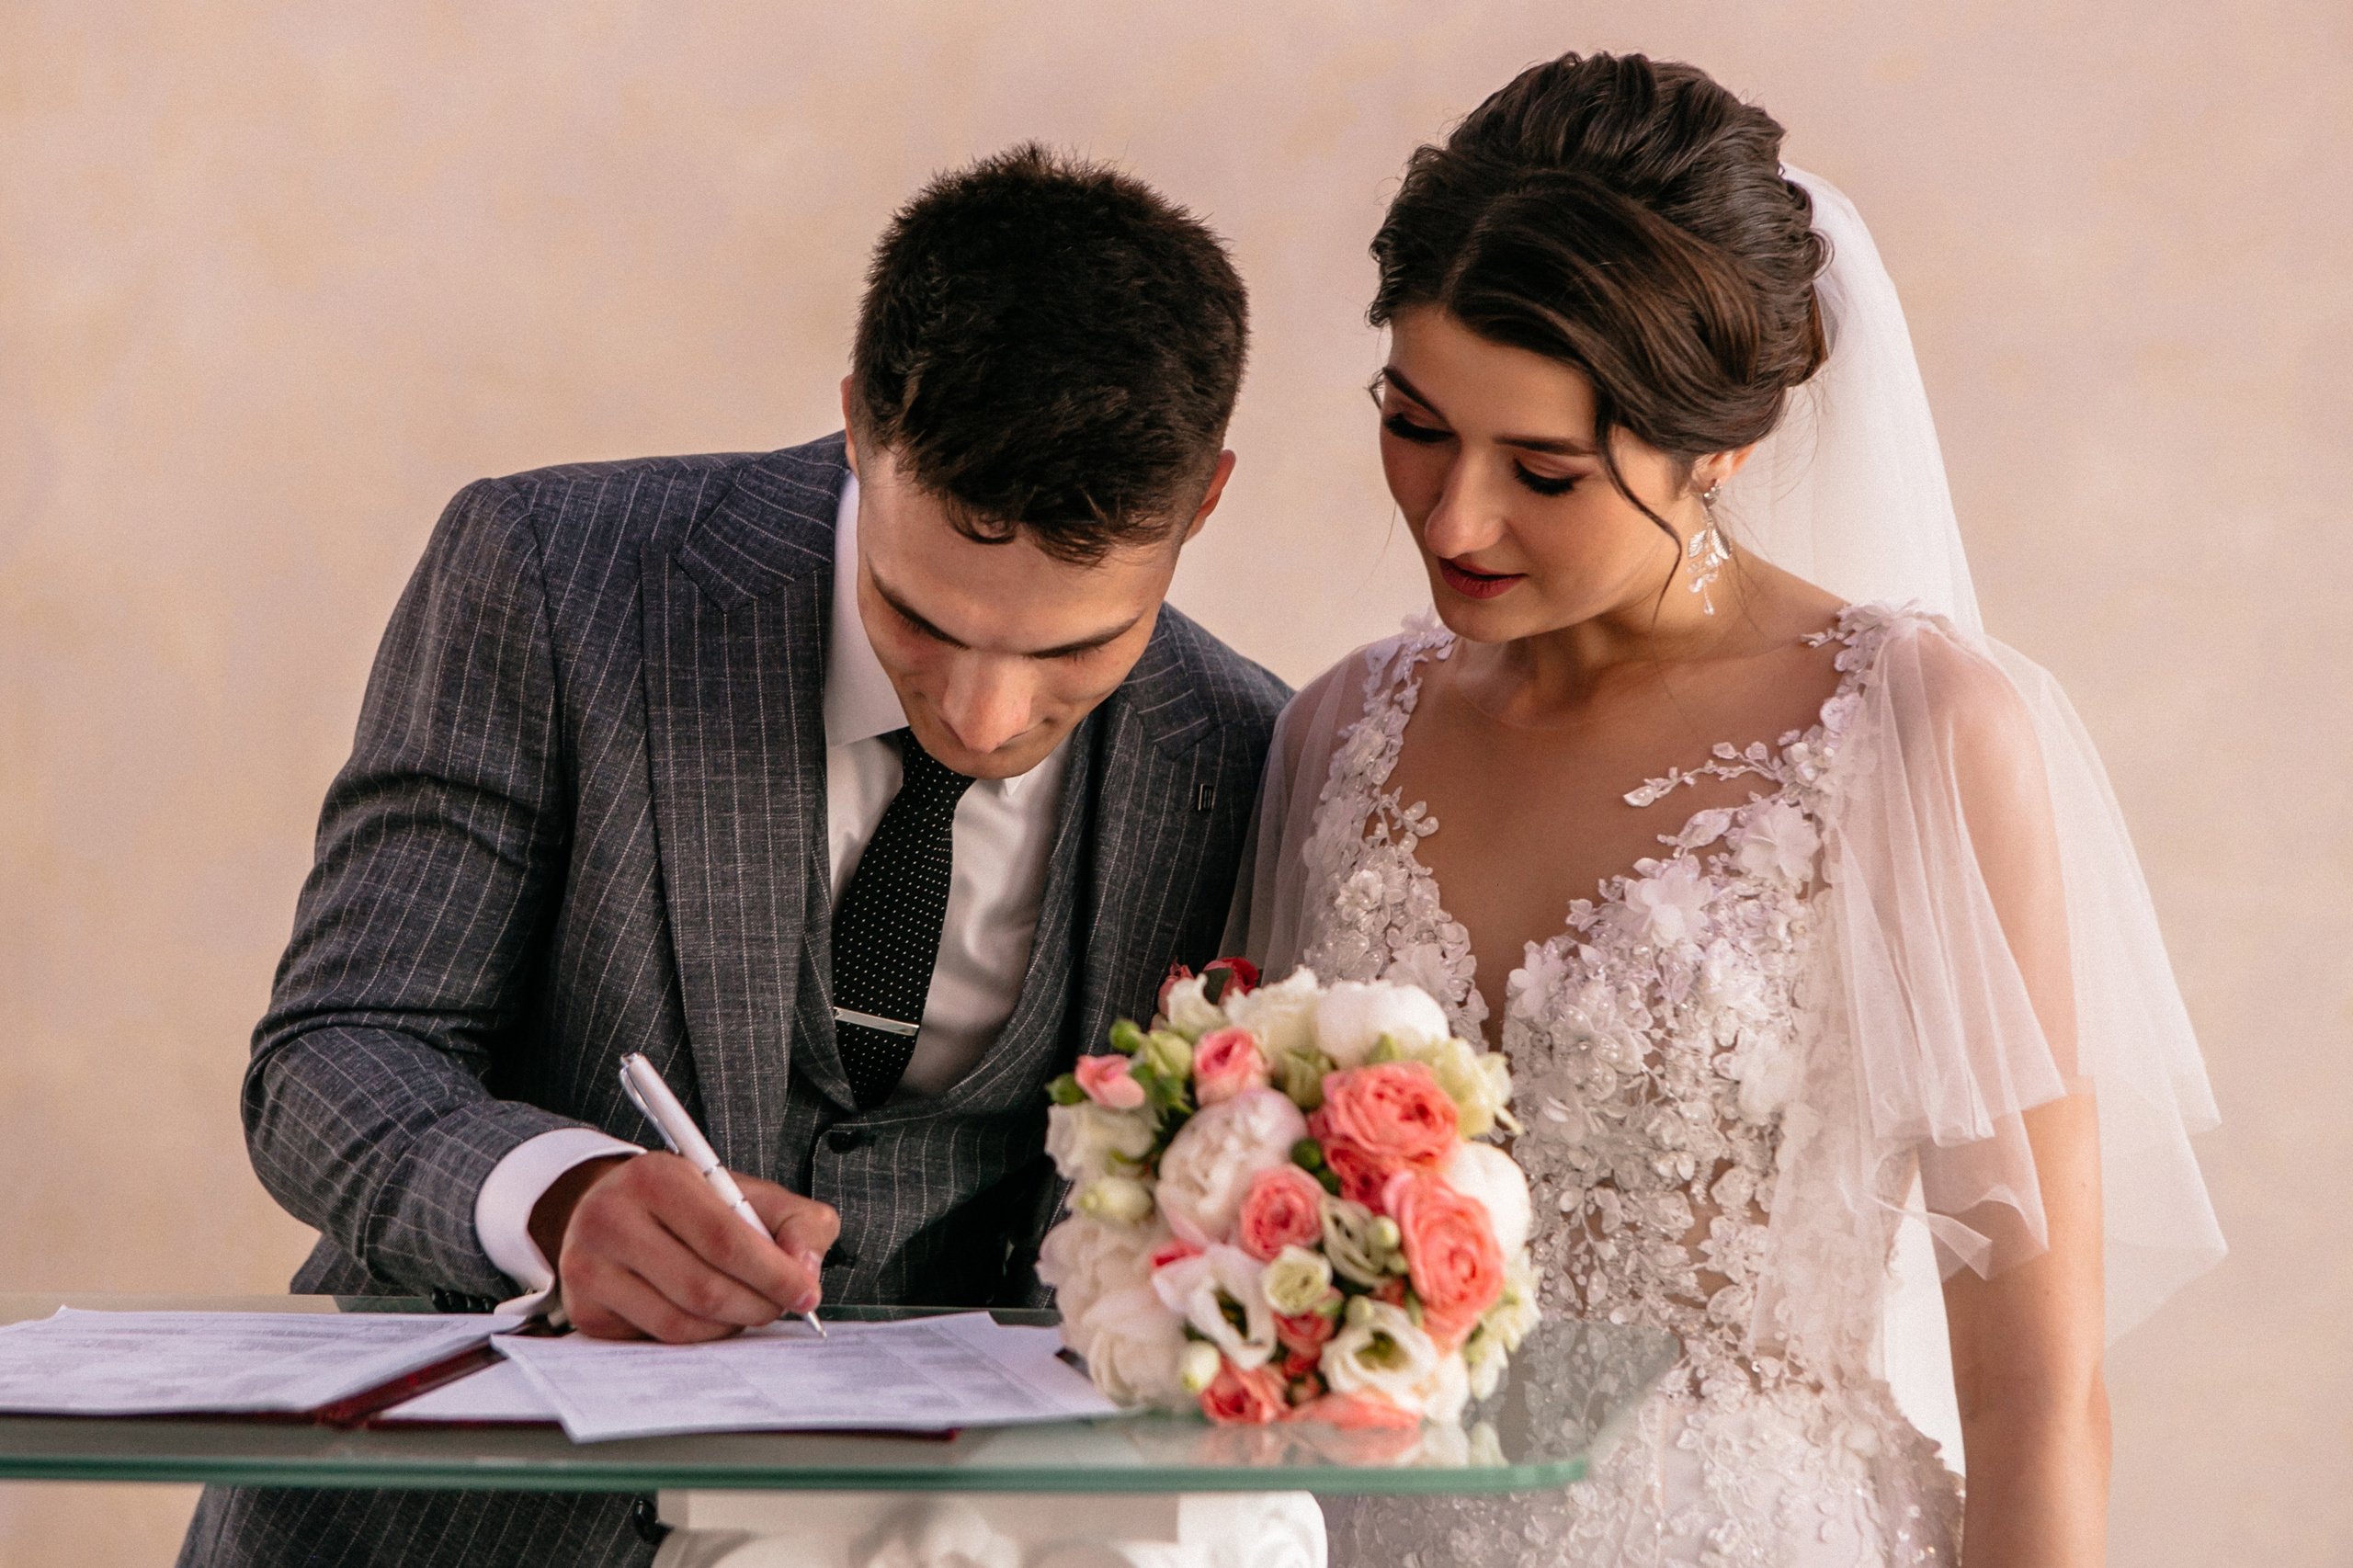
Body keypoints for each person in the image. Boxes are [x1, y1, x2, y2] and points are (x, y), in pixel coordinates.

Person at [180, 144, 1290, 1568]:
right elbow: (330, 1055)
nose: (982, 711)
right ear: (854, 427)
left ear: (1204, 502)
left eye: (1076, 649)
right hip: (436, 1531)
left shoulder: (1237, 747)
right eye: (923, 617)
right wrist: (560, 1194)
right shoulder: (548, 573)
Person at [1228, 53, 2224, 1567]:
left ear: (1722, 450)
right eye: (1415, 421)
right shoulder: (1341, 729)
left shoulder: (1913, 733)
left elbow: (2034, 1389)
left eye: (1544, 470)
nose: (1452, 516)